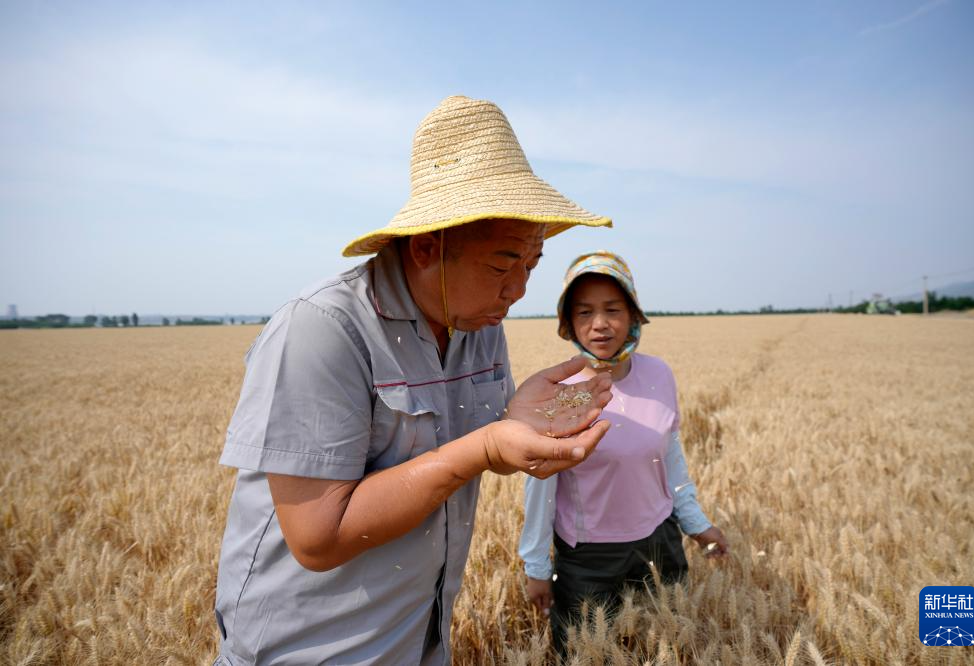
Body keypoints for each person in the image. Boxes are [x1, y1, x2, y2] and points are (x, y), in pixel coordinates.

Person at [212, 96, 616, 665]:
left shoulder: (477, 323)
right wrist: (486, 446)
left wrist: (512, 428)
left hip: (420, 640)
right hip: (308, 651)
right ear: (428, 247)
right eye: (502, 266)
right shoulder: (324, 329)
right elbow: (318, 535)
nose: (518, 289)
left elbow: (475, 448)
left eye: (532, 264)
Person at [518, 251, 730, 657]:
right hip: (588, 556)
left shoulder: (659, 374)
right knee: (583, 654)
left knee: (664, 648)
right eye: (584, 312)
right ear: (568, 323)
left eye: (612, 309)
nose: (599, 324)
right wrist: (537, 568)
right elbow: (539, 486)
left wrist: (697, 524)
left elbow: (670, 458)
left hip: (660, 543)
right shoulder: (561, 393)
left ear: (633, 315)